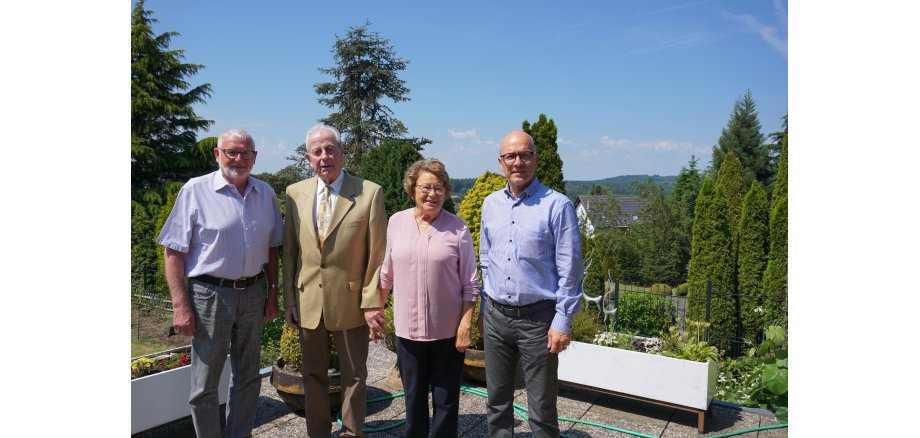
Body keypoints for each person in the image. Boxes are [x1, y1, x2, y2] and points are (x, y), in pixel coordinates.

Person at [157, 128, 283, 438]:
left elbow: (271, 247)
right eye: (232, 152)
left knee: (248, 375)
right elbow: (173, 249)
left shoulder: (265, 193)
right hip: (209, 295)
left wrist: (273, 292)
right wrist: (179, 305)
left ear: (254, 158)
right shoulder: (195, 190)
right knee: (205, 384)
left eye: (246, 153)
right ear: (218, 154)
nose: (239, 159)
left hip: (254, 293)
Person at [282, 124, 387, 437]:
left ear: (342, 153)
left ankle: (353, 431)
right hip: (308, 301)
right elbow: (290, 252)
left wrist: (372, 302)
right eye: (317, 151)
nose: (324, 156)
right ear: (308, 158)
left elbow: (377, 254)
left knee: (354, 374)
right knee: (312, 374)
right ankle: (318, 432)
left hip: (352, 301)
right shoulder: (294, 193)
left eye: (330, 149)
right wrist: (289, 299)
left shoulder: (369, 192)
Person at [478, 130, 584, 437]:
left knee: (541, 409)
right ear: (501, 163)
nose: (518, 162)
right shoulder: (490, 205)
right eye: (510, 156)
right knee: (497, 403)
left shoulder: (557, 206)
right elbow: (487, 259)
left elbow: (571, 269)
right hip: (497, 318)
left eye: (525, 155)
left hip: (539, 321)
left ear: (535, 159)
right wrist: (485, 308)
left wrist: (563, 320)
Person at [378, 159, 479, 438]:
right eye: (425, 187)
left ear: (446, 192)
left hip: (447, 334)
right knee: (413, 401)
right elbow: (387, 274)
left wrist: (465, 325)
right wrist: (375, 310)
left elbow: (471, 284)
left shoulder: (458, 229)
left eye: (439, 188)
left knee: (446, 402)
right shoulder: (396, 222)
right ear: (413, 189)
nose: (432, 194)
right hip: (408, 334)